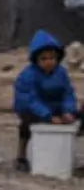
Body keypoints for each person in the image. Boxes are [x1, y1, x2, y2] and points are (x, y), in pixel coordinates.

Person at [12, 30, 78, 172]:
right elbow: (30, 99)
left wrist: (68, 110)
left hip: (55, 108)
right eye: (44, 59)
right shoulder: (28, 75)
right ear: (36, 60)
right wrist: (47, 116)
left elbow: (68, 93)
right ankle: (21, 157)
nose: (48, 62)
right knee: (26, 124)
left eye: (52, 58)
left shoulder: (61, 73)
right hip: (33, 109)